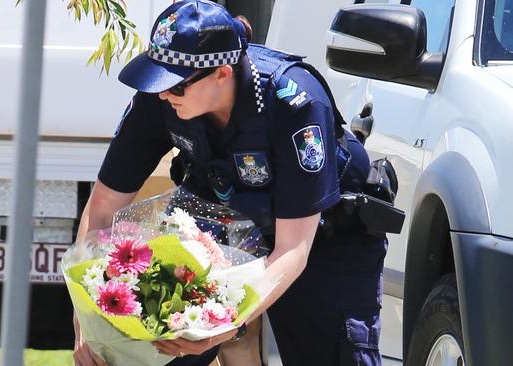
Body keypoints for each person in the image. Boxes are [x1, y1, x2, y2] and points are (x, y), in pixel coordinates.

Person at [73, 1, 388, 365]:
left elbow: (293, 250)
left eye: (175, 85)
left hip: (322, 239)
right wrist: (88, 318)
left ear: (222, 73)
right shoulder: (160, 100)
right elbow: (102, 212)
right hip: (221, 229)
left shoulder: (294, 102)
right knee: (138, 348)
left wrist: (227, 322)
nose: (162, 93)